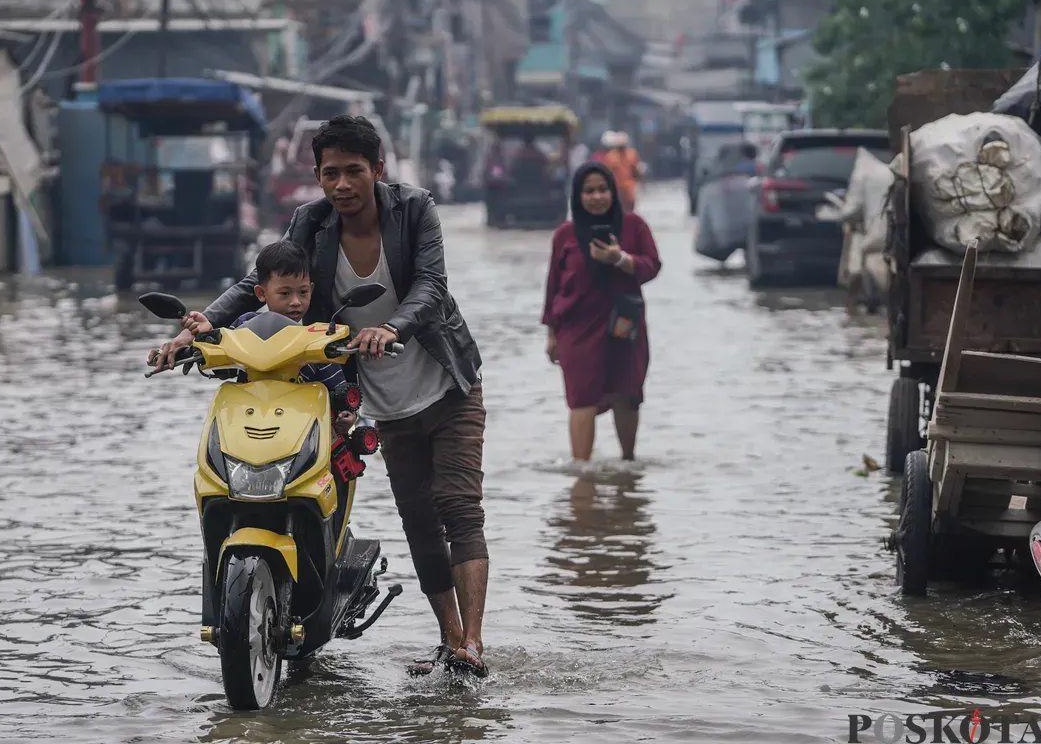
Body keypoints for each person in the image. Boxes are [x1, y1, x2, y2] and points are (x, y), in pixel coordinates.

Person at [150, 114, 491, 678]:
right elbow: (254, 285)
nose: (342, 185)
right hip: (384, 400)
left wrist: (393, 329)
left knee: (457, 507)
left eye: (354, 171)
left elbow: (432, 285)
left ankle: (473, 643)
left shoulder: (414, 210)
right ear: (317, 176)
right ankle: (449, 640)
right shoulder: (311, 222)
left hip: (447, 386)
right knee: (418, 522)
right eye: (330, 173)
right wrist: (196, 330)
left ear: (378, 169)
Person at [155, 240, 357, 435]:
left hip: (303, 431)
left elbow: (339, 391)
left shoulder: (318, 338)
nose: (296, 302)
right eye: (285, 293)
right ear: (261, 293)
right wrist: (205, 336)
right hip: (249, 426)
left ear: (311, 290)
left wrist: (347, 415)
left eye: (302, 292)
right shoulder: (245, 326)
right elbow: (223, 367)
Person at [542, 162, 662, 463]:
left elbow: (652, 266)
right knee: (581, 398)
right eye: (589, 191)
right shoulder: (564, 235)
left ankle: (628, 464)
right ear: (578, 196)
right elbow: (553, 287)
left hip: (624, 326)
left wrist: (619, 258)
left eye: (603, 189)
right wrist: (551, 333)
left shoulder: (634, 226)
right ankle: (582, 479)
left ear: (613, 191)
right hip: (577, 329)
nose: (597, 197)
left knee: (627, 393)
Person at [599, 132, 644, 212]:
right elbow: (606, 174)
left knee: (630, 210)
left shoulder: (632, 154)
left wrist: (641, 182)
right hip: (617, 188)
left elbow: (636, 170)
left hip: (629, 188)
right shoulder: (610, 157)